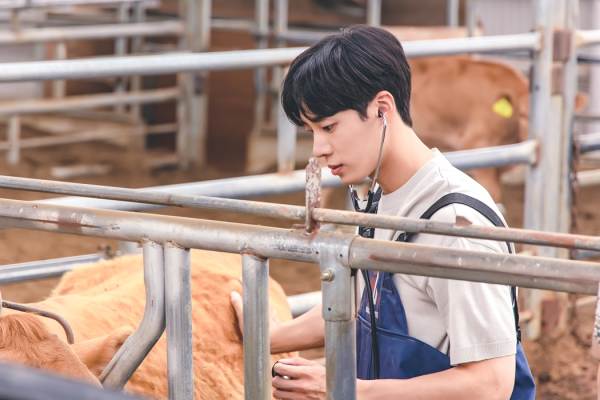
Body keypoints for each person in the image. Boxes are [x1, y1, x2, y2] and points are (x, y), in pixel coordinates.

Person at [230, 25, 536, 400]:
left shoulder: (454, 224)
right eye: (311, 131)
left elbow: (490, 384)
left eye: (328, 127)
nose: (318, 149)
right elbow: (365, 302)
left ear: (381, 108)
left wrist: (346, 390)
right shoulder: (382, 197)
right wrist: (269, 336)